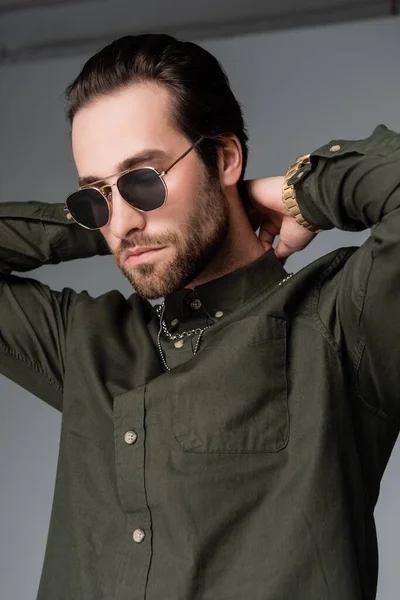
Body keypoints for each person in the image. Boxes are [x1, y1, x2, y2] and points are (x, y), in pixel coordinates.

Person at [0, 33, 399, 600]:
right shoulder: (84, 343)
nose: (121, 225)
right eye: (95, 196)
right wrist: (102, 217)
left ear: (225, 158)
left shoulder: (337, 325)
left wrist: (301, 192)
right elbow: (120, 224)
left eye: (144, 180)